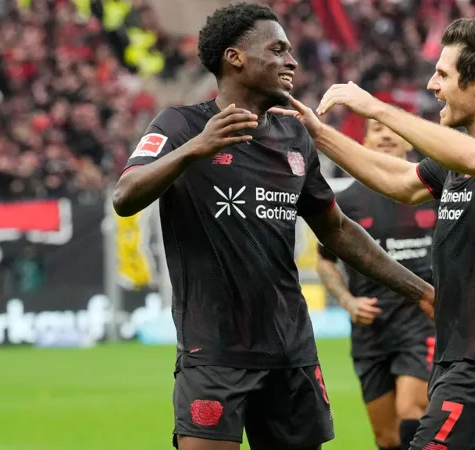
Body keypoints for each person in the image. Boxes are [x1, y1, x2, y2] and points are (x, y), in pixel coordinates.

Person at [111, 3, 434, 450]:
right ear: (235, 58)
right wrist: (195, 148)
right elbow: (125, 196)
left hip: (290, 353)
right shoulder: (181, 125)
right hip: (214, 354)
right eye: (278, 50)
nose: (292, 61)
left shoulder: (294, 136)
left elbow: (337, 231)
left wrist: (422, 291)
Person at [271, 16, 475, 450]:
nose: (431, 85)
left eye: (443, 74)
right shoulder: (458, 158)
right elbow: (401, 181)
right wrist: (318, 135)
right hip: (458, 354)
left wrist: (377, 108)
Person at [316, 119, 437, 450]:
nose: (385, 134)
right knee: (387, 438)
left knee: (411, 410)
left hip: (421, 323)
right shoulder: (347, 202)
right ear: (365, 141)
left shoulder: (432, 193)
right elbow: (325, 262)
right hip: (371, 333)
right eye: (376, 129)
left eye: (392, 128)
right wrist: (347, 301)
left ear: (407, 140)